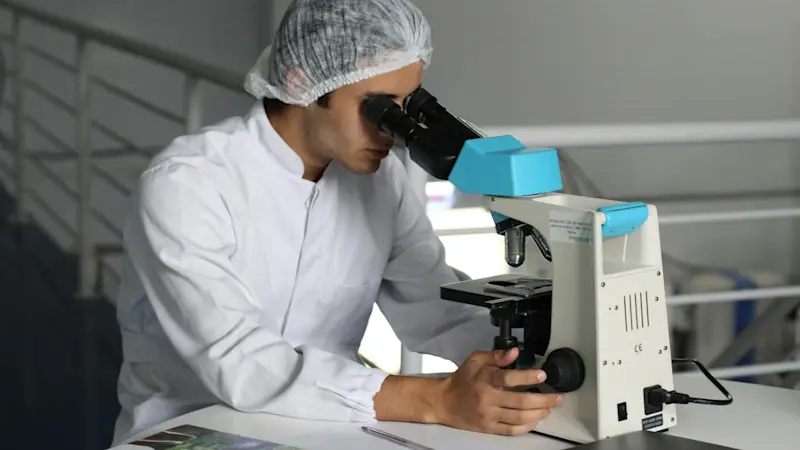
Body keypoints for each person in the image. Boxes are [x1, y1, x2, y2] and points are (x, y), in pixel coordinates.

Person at [111, 0, 562, 445]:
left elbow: (437, 312)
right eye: (379, 108)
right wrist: (437, 399)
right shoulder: (189, 184)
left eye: (406, 107)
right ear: (302, 82)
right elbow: (239, 362)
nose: (392, 130)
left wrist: (538, 358)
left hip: (324, 427)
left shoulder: (381, 183)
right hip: (191, 430)